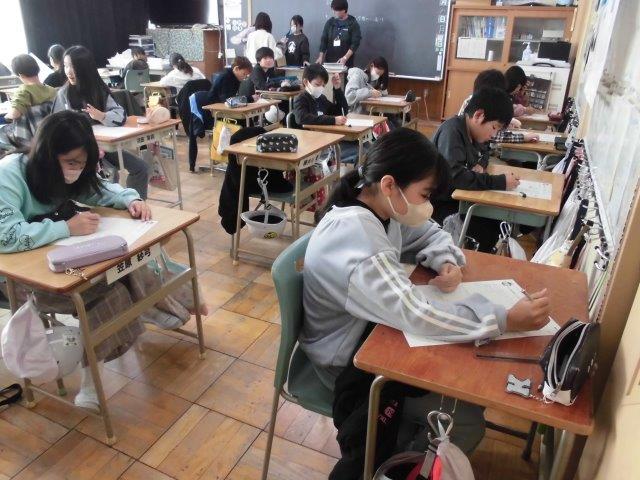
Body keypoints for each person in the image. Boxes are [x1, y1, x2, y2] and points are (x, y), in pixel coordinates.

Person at [300, 127, 551, 475]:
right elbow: (417, 313)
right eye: (425, 194)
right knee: (466, 422)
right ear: (390, 185)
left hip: (370, 335)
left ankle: (404, 449)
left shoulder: (381, 208)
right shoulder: (357, 238)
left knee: (459, 378)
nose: (428, 205)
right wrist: (504, 319)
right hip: (345, 361)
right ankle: (397, 467)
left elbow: (432, 233)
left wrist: (445, 261)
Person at [0, 110, 152, 411]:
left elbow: (99, 189)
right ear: (48, 156)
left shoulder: (66, 172)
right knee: (113, 289)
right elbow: (5, 236)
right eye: (71, 163)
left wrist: (131, 198)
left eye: (83, 164)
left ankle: (158, 312)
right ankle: (93, 379)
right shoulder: (9, 175)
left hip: (53, 263)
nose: (77, 170)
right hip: (15, 278)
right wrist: (65, 227)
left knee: (127, 270)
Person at [52, 45, 151, 199]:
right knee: (110, 174)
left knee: (141, 168)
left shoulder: (98, 90)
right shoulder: (64, 95)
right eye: (66, 66)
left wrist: (101, 116)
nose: (68, 71)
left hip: (104, 148)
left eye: (73, 66)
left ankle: (135, 203)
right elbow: (59, 130)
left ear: (85, 69)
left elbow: (120, 115)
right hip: (80, 152)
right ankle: (117, 205)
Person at [432, 87, 519, 252]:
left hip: (459, 199)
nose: (494, 135)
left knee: (498, 221)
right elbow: (455, 177)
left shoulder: (474, 132)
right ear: (478, 115)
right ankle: (474, 260)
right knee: (488, 229)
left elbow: (485, 152)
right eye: (494, 127)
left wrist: (481, 164)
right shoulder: (452, 132)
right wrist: (499, 181)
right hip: (440, 204)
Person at [186, 57, 252, 172]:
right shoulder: (226, 77)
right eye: (244, 74)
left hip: (220, 112)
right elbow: (227, 101)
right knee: (244, 123)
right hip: (211, 115)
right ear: (236, 69)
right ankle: (236, 158)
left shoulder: (234, 78)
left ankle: (242, 157)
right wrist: (248, 98)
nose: (245, 77)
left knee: (248, 121)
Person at [458, 69, 539, 143]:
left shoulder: (482, 102)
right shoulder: (475, 103)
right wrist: (523, 137)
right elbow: (494, 137)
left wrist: (501, 125)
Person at [5, 54, 56, 121]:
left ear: (20, 75)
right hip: (52, 125)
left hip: (32, 127)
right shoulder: (52, 90)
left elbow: (14, 114)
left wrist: (6, 116)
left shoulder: (23, 91)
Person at [317, 0, 362, 67]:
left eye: (336, 10)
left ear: (344, 10)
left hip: (345, 63)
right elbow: (324, 40)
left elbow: (355, 43)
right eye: (333, 10)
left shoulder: (353, 23)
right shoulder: (330, 23)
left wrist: (345, 58)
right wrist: (320, 57)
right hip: (329, 62)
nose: (334, 12)